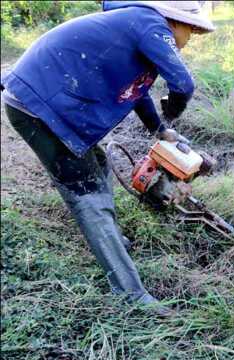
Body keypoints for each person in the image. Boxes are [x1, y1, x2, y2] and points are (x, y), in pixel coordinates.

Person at [0, 1, 214, 315]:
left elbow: (135, 92)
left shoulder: (135, 26)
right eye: (190, 31)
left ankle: (112, 242)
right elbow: (183, 84)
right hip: (36, 106)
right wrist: (174, 106)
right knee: (88, 196)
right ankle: (130, 294)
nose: (189, 39)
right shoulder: (151, 24)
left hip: (40, 101)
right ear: (175, 21)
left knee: (98, 165)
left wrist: (161, 129)